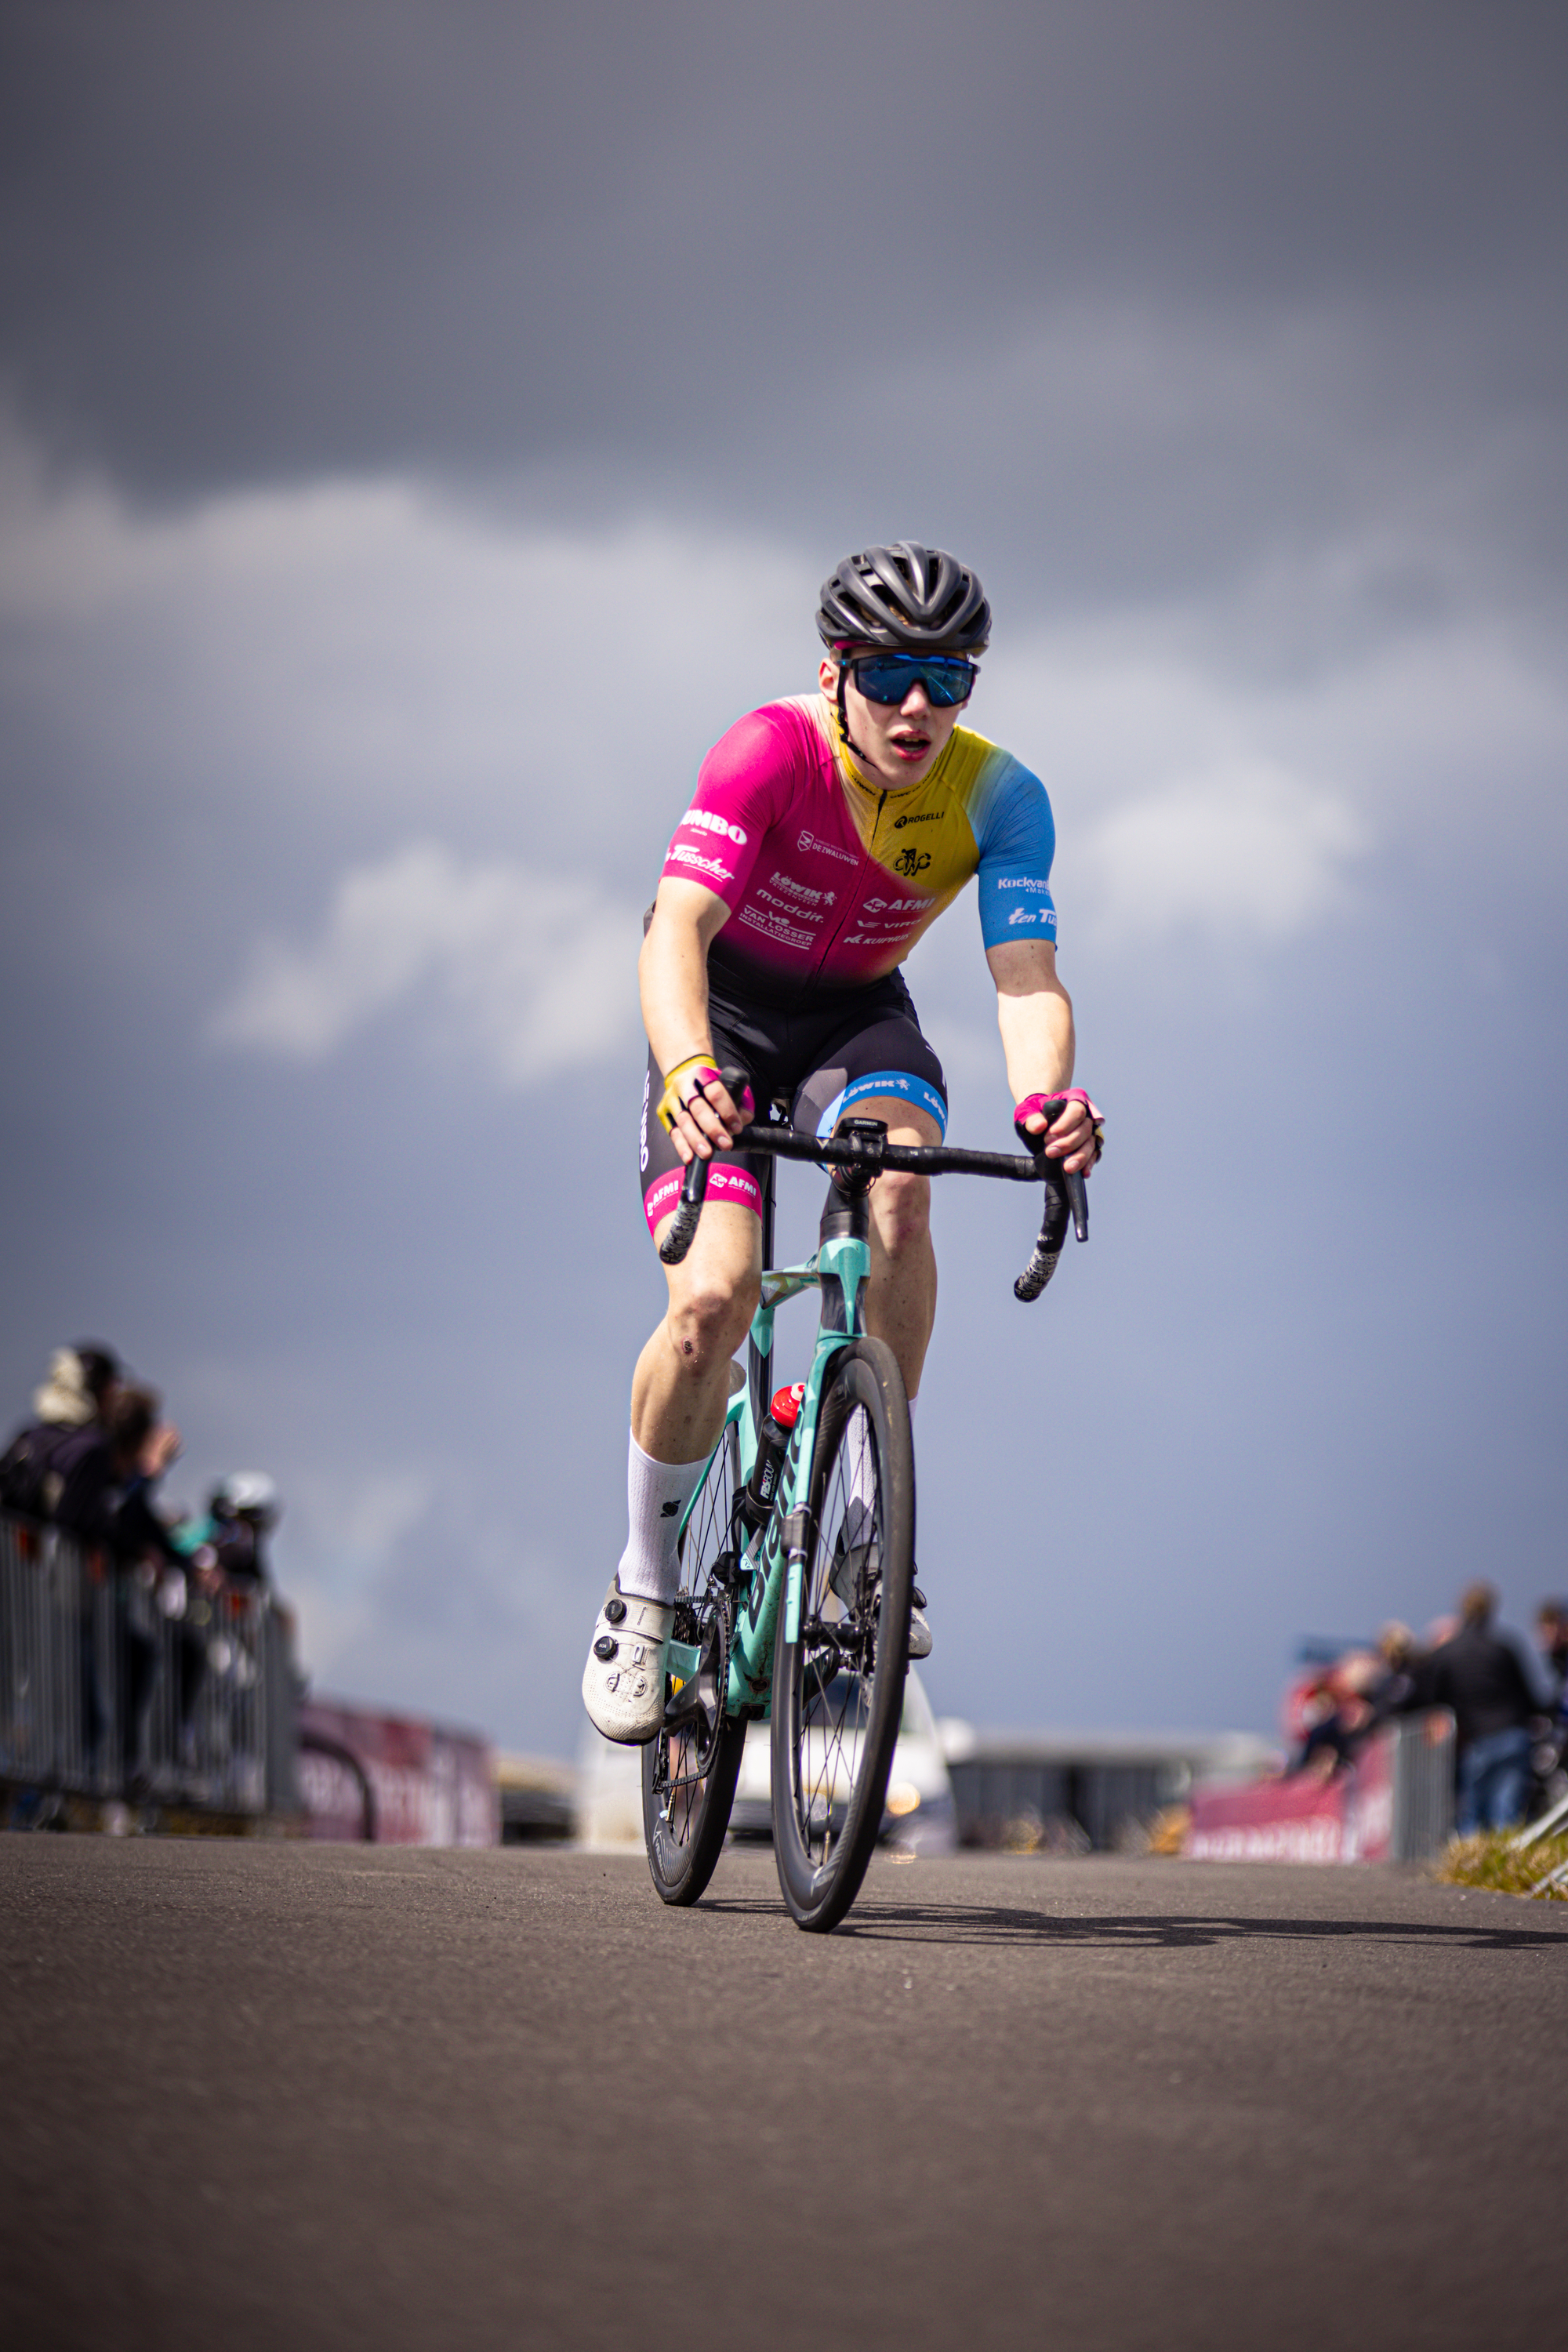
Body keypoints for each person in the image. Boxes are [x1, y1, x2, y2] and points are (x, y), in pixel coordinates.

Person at [582, 543, 1102, 1743]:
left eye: (948, 677)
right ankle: (645, 1585)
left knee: (904, 1195)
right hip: (718, 1017)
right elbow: (676, 928)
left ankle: (867, 1522)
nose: (918, 705)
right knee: (711, 1301)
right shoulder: (767, 751)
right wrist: (688, 1068)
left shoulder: (1000, 795)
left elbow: (1026, 978)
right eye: (889, 675)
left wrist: (1047, 1106)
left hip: (855, 1019)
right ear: (836, 675)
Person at [1428, 1582, 1540, 1836]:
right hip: (1513, 1733)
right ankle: (1505, 1871)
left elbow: (1434, 1697)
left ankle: (1469, 1870)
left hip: (1477, 1738)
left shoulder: (1448, 1653)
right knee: (1507, 1812)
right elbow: (1529, 1696)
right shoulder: (1503, 1649)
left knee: (1472, 1813)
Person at [0, 1341, 122, 1521]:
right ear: (98, 1391)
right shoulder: (92, 1447)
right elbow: (78, 1522)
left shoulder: (29, 1436)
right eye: (110, 1389)